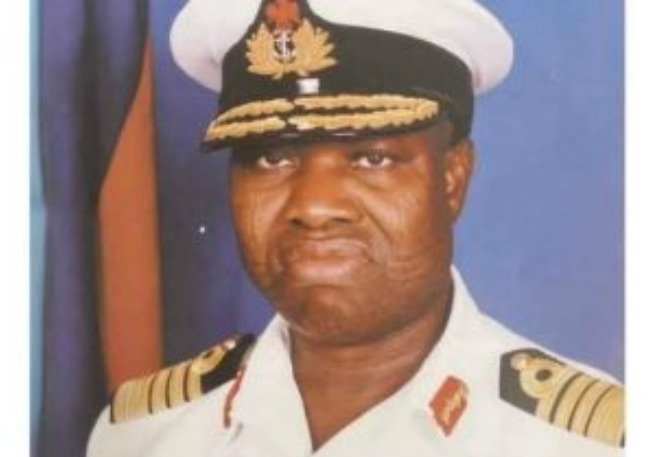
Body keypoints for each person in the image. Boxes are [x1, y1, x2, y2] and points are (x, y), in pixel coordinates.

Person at [87, 0, 624, 456]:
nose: (315, 206)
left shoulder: (585, 444)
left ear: (453, 179)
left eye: (372, 158)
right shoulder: (144, 436)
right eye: (272, 157)